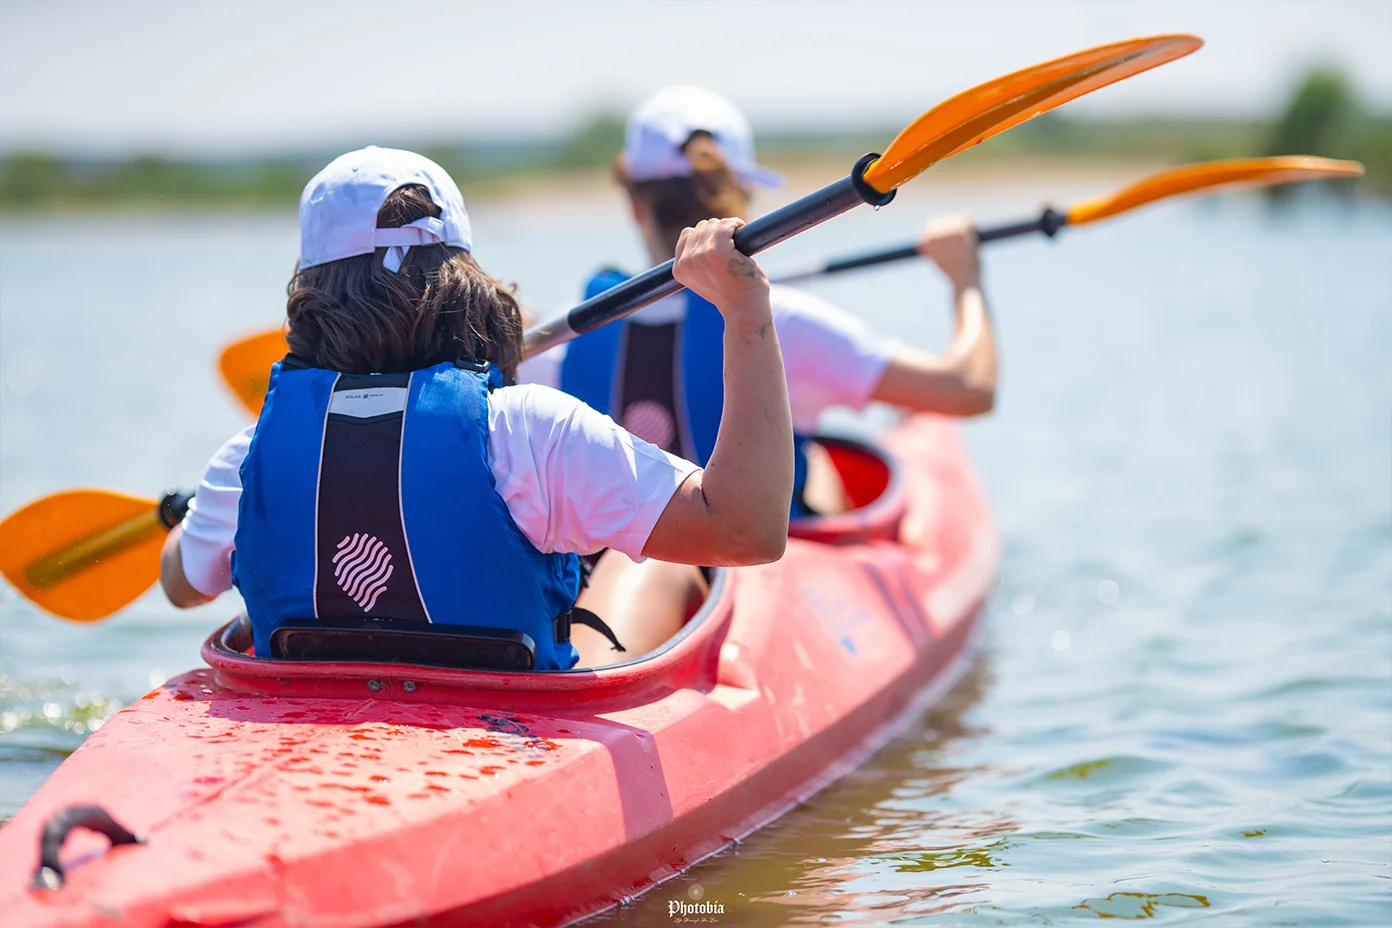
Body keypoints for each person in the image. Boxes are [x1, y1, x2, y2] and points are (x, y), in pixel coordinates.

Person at [158, 146, 794, 670]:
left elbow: (182, 585)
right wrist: (745, 313)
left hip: (313, 730)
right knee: (650, 572)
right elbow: (746, 532)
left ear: (308, 298)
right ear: (466, 284)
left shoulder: (245, 459)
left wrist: (190, 518)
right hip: (507, 729)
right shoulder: (531, 429)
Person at [520, 87, 999, 647]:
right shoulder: (780, 325)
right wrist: (966, 280)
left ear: (634, 202)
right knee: (814, 464)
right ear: (740, 197)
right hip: (735, 588)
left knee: (807, 464)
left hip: (607, 573)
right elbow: (968, 389)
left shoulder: (561, 335)